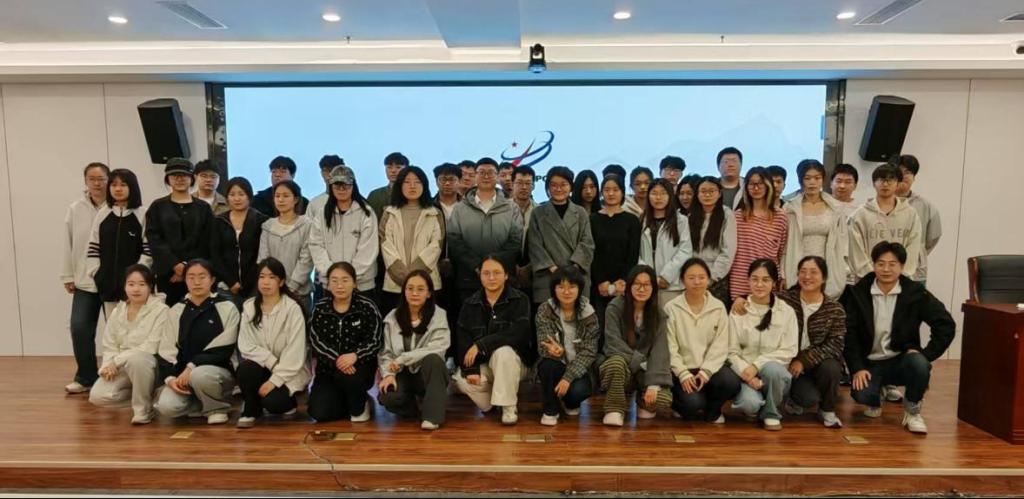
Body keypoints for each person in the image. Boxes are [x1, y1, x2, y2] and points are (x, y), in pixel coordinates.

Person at [843, 242, 955, 434]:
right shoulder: (857, 293)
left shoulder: (915, 293)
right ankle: (877, 392)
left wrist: (926, 354)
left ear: (902, 266)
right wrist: (857, 367)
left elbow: (945, 324)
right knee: (863, 395)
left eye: (892, 264)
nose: (886, 269)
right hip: (869, 363)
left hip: (900, 360)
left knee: (919, 364)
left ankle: (912, 412)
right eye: (881, 264)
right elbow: (849, 334)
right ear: (873, 265)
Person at [734, 256, 846, 428]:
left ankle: (827, 410)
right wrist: (740, 299)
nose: (807, 276)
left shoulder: (834, 308)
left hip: (811, 363)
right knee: (791, 393)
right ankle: (784, 400)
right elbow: (761, 295)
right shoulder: (788, 299)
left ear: (824, 277)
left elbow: (835, 345)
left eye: (813, 272)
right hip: (786, 364)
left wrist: (804, 360)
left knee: (828, 372)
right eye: (803, 272)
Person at [155, 259, 240, 425]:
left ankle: (217, 408)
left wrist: (192, 366)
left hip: (217, 374)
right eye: (191, 277)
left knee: (200, 375)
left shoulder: (227, 307)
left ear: (212, 280)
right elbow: (166, 349)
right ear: (185, 280)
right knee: (167, 407)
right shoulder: (176, 310)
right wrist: (170, 378)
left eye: (202, 277)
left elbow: (224, 348)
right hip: (184, 377)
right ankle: (201, 403)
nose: (197, 282)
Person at [453, 256, 532, 425]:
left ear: (506, 275)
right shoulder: (470, 304)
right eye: (486, 273)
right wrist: (471, 369)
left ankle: (508, 407)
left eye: (497, 273)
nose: (491, 278)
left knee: (503, 352)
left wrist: (481, 345)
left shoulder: (520, 299)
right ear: (480, 275)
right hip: (486, 366)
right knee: (461, 380)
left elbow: (519, 334)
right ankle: (492, 405)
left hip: (515, 364)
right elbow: (463, 341)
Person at [723, 259, 798, 431]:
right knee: (749, 404)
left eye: (765, 280)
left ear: (774, 283)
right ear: (748, 280)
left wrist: (756, 365)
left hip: (774, 375)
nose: (759, 284)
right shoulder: (738, 310)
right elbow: (731, 351)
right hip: (746, 374)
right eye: (754, 279)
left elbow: (789, 349)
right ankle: (757, 404)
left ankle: (771, 412)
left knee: (772, 369)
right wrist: (747, 374)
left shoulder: (786, 311)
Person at [236, 258, 311, 428]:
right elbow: (246, 345)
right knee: (245, 369)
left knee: (274, 403)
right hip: (263, 366)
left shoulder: (292, 308)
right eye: (262, 277)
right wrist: (271, 361)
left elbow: (295, 351)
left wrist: (275, 380)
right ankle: (251, 409)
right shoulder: (249, 307)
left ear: (281, 282)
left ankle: (287, 403)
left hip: (288, 371)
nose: (266, 282)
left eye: (272, 277)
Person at [89, 264, 168, 425]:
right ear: (125, 286)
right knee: (98, 396)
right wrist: (108, 365)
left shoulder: (161, 310)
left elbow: (151, 346)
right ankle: (149, 398)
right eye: (131, 284)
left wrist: (116, 362)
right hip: (121, 365)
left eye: (142, 284)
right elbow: (109, 344)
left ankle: (143, 410)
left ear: (150, 287)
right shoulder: (118, 311)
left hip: (149, 365)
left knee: (137, 360)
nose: (136, 289)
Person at [665, 258, 740, 422]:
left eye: (701, 277)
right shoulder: (671, 308)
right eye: (691, 277)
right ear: (682, 280)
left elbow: (721, 344)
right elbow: (669, 346)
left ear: (708, 279)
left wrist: (706, 371)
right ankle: (682, 405)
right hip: (682, 370)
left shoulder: (718, 307)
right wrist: (682, 373)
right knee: (692, 404)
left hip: (709, 369)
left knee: (731, 382)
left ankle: (712, 410)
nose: (697, 282)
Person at [307, 262, 383, 423]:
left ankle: (360, 404)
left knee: (353, 393)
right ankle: (346, 400)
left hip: (359, 367)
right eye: (334, 280)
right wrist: (338, 359)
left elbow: (375, 340)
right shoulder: (320, 308)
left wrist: (355, 355)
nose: (339, 285)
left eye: (345, 280)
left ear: (354, 283)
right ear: (328, 284)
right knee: (319, 413)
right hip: (328, 369)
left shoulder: (367, 307)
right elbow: (315, 340)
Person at [599, 265, 674, 426]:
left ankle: (642, 401)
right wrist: (640, 361)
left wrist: (653, 384)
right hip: (622, 365)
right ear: (629, 285)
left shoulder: (659, 314)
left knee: (663, 399)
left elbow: (660, 349)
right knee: (615, 363)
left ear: (653, 288)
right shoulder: (614, 307)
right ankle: (614, 409)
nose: (641, 289)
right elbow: (612, 343)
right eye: (637, 284)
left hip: (645, 372)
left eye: (646, 285)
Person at [378, 270, 451, 430]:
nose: (414, 293)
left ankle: (432, 417)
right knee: (387, 397)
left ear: (429, 293)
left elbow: (438, 347)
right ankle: (411, 408)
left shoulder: (439, 315)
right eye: (410, 288)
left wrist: (403, 359)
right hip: (402, 373)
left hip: (426, 374)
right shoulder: (392, 317)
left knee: (434, 360)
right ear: (404, 291)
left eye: (420, 289)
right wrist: (388, 375)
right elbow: (386, 352)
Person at [446, 162, 524, 303]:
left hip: (503, 277)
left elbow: (515, 240)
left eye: (491, 172)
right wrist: (476, 265)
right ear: (475, 176)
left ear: (497, 176)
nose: (486, 176)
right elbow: (454, 240)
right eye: (481, 172)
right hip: (468, 278)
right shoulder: (460, 208)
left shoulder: (511, 208)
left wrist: (494, 265)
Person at [62, 161, 109, 394]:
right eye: (92, 179)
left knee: (117, 333)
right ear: (85, 181)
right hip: (84, 281)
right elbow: (67, 242)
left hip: (112, 281)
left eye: (101, 179)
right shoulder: (75, 208)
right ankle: (86, 377)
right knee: (79, 328)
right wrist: (67, 275)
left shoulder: (117, 206)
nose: (97, 183)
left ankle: (116, 378)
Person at [535, 266, 600, 426]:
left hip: (579, 368)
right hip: (556, 364)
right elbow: (543, 344)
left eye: (571, 286)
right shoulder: (545, 310)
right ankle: (550, 410)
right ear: (554, 289)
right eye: (561, 287)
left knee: (579, 391)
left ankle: (570, 402)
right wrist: (553, 351)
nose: (566, 291)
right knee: (547, 366)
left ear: (579, 289)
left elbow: (589, 352)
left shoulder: (589, 313)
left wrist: (568, 377)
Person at [146, 158, 214, 306]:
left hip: (198, 274)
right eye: (174, 175)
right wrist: (175, 265)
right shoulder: (157, 207)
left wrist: (186, 266)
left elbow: (207, 240)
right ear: (167, 179)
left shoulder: (203, 208)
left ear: (192, 178)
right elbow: (154, 239)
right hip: (167, 274)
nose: (179, 179)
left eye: (184, 175)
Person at [379, 166, 445, 313]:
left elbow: (436, 246)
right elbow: (386, 245)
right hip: (395, 285)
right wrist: (403, 276)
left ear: (424, 185)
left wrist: (415, 278)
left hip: (427, 283)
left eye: (417, 182)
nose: (412, 186)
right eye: (407, 182)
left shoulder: (435, 213)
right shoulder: (389, 213)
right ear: (399, 185)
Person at [87, 168, 152, 314]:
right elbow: (93, 247)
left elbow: (148, 248)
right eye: (114, 185)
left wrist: (139, 275)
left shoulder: (143, 214)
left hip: (136, 288)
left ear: (132, 187)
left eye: (123, 185)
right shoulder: (103, 213)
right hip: (108, 286)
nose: (118, 189)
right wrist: (97, 273)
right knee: (112, 326)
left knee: (137, 326)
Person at [528, 166, 596, 305]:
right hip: (548, 278)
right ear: (547, 187)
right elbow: (535, 246)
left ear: (571, 187)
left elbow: (587, 243)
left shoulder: (581, 212)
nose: (558, 189)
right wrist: (554, 270)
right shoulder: (538, 213)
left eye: (563, 184)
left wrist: (573, 269)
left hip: (576, 277)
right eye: (553, 185)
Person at [782, 160, 849, 298]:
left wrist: (845, 269)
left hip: (827, 266)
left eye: (817, 178)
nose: (812, 182)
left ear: (823, 180)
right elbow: (784, 244)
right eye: (807, 178)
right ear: (801, 180)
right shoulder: (790, 208)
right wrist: (782, 273)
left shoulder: (835, 207)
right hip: (797, 265)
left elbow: (843, 242)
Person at [308, 166, 378, 298]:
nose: (341, 189)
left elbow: (369, 249)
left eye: (346, 185)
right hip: (331, 285)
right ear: (331, 187)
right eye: (337, 185)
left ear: (353, 186)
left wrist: (349, 278)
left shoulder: (366, 213)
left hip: (362, 285)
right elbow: (316, 246)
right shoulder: (322, 214)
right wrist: (333, 275)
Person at [848, 164, 922, 281]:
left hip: (901, 281)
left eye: (890, 180)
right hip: (867, 281)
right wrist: (872, 277)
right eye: (881, 179)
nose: (885, 184)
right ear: (874, 183)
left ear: (898, 183)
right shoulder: (859, 215)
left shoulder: (911, 214)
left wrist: (900, 275)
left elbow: (913, 247)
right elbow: (855, 251)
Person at [589, 174, 642, 330]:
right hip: (599, 285)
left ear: (622, 192)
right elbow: (591, 253)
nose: (611, 193)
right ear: (601, 192)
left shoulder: (632, 220)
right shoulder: (592, 219)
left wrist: (624, 280)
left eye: (615, 189)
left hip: (624, 285)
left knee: (623, 327)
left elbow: (633, 254)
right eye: (607, 190)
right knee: (599, 327)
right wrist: (600, 281)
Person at [729, 167, 788, 300]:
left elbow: (781, 252)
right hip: (741, 281)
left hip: (768, 281)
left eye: (760, 183)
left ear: (768, 185)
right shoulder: (737, 216)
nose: (756, 188)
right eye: (751, 184)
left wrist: (781, 276)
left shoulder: (780, 216)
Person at [210, 177, 268, 307]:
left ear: (249, 196)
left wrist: (250, 282)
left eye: (241, 194)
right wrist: (231, 282)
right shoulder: (219, 221)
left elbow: (262, 255)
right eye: (232, 195)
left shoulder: (261, 220)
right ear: (227, 198)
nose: (237, 198)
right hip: (226, 285)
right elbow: (215, 255)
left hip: (255, 285)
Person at [258, 181, 314, 307]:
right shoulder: (268, 226)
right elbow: (263, 258)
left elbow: (306, 260)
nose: (280, 200)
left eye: (285, 196)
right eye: (277, 196)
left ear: (296, 199)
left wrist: (291, 286)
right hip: (272, 292)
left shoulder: (307, 225)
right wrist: (274, 285)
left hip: (299, 294)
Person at [639, 179, 692, 308]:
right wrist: (647, 276)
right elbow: (636, 251)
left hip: (672, 285)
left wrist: (666, 276)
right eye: (654, 193)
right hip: (645, 284)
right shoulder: (641, 220)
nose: (658, 197)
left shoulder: (681, 221)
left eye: (663, 193)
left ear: (670, 196)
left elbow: (685, 251)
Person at [688, 176, 737, 305]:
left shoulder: (727, 214)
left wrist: (711, 277)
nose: (707, 195)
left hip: (716, 278)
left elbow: (728, 251)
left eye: (712, 191)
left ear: (719, 194)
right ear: (697, 194)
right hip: (692, 276)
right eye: (703, 191)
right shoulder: (690, 216)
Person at [895, 154, 942, 284]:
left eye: (907, 172)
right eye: (898, 171)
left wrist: (917, 252)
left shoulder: (926, 206)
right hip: (884, 271)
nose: (903, 175)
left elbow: (932, 238)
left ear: (914, 177)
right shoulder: (878, 204)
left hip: (915, 272)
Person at [366, 152, 409, 222]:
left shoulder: (412, 194)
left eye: (398, 167)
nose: (393, 171)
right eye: (389, 167)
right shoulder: (375, 195)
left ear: (407, 169)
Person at [307, 154, 346, 220]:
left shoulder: (355, 202)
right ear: (321, 173)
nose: (330, 174)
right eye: (326, 170)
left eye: (333, 170)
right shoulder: (314, 203)